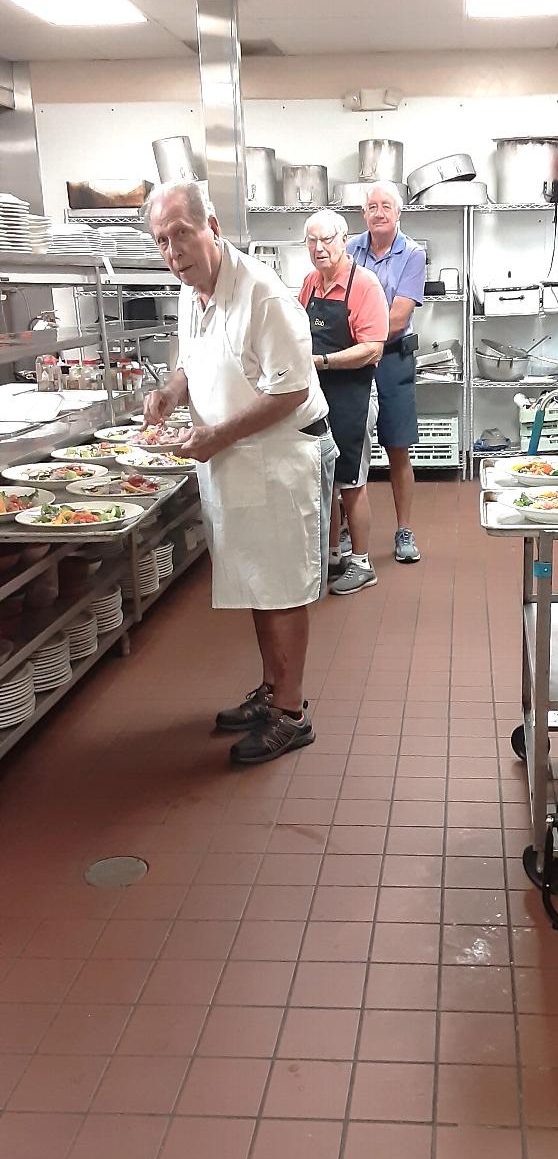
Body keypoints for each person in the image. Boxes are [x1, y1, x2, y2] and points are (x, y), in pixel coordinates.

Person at [142, 180, 337, 766]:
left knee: (284, 588)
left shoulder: (262, 295)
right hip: (235, 459)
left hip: (282, 458)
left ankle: (292, 714)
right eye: (162, 241)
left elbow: (292, 389)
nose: (173, 251)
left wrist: (217, 435)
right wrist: (171, 393)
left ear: (213, 227)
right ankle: (272, 690)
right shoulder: (192, 291)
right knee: (257, 579)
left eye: (181, 234)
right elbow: (192, 360)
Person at [299, 210, 389, 596]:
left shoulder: (364, 285)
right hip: (317, 395)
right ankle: (333, 553)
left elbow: (372, 349)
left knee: (351, 480)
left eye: (326, 239)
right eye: (312, 241)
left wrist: (322, 362)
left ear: (344, 240)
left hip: (354, 393)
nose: (319, 248)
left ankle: (362, 562)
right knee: (325, 478)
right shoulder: (310, 283)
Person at [347, 180, 426, 564]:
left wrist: (359, 339)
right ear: (364, 213)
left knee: (397, 447)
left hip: (392, 358)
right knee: (347, 446)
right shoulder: (349, 249)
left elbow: (398, 317)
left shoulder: (412, 254)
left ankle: (404, 530)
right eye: (372, 206)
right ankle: (347, 530)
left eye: (386, 206)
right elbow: (338, 300)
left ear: (398, 213)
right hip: (354, 361)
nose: (379, 213)